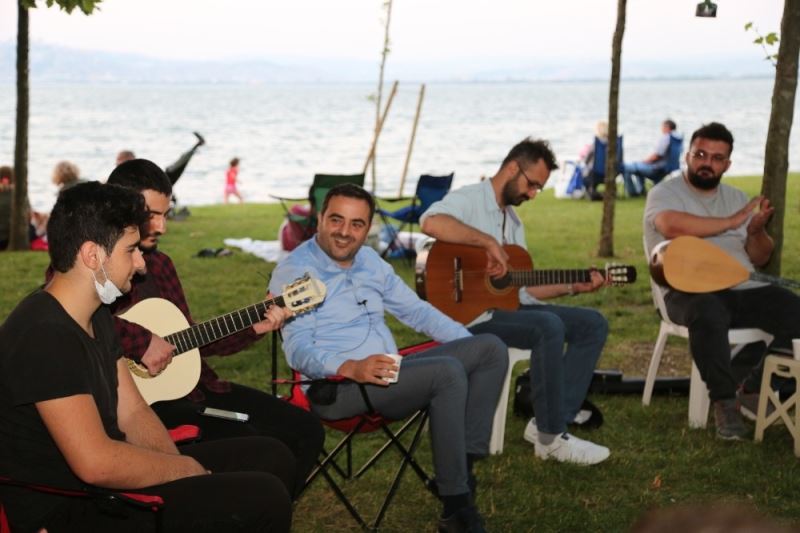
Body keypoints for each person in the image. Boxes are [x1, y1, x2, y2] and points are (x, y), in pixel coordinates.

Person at [1, 181, 293, 532]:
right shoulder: (45, 335)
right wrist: (185, 470)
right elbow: (95, 463)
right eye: (130, 250)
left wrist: (177, 469)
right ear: (92, 256)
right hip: (70, 507)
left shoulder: (95, 314)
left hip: (107, 479)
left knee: (271, 457)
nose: (141, 264)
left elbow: (133, 411)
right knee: (264, 497)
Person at [269, 183, 508, 533]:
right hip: (337, 387)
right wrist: (350, 367)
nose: (344, 232)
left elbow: (417, 312)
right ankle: (456, 508)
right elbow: (298, 349)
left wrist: (465, 343)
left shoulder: (369, 261)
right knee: (447, 372)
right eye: (336, 220)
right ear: (319, 219)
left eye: (356, 224)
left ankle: (461, 471)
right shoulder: (295, 271)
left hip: (389, 372)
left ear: (368, 227)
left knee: (489, 349)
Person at [104, 159, 325, 495]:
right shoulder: (93, 264)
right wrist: (142, 341)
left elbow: (189, 340)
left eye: (166, 214)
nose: (162, 227)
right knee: (260, 448)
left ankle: (270, 510)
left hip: (194, 388)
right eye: (151, 215)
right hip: (138, 409)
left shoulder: (160, 265)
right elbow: (76, 321)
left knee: (305, 429)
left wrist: (254, 326)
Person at [420, 137, 611, 466]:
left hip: (504, 311)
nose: (533, 194)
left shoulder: (514, 222)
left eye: (539, 188)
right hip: (468, 316)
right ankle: (551, 439)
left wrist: (573, 287)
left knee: (592, 324)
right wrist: (487, 242)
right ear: (512, 168)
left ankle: (554, 418)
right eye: (532, 184)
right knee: (547, 326)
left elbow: (520, 293)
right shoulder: (470, 199)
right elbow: (430, 221)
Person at [643, 121, 800, 440]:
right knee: (708, 310)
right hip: (685, 291)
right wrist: (730, 222)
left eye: (717, 158)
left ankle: (754, 387)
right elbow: (669, 225)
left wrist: (755, 232)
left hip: (742, 288)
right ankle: (725, 403)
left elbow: (759, 257)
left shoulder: (735, 196)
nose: (707, 163)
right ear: (687, 156)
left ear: (727, 164)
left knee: (793, 309)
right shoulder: (665, 193)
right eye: (700, 154)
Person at [117, 131, 206, 212]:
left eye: (119, 162)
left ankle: (197, 145)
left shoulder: (134, 171)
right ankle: (197, 145)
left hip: (163, 181)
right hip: (162, 184)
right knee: (176, 166)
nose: (117, 165)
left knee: (176, 166)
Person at [623, 119, 682, 197]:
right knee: (638, 169)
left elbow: (657, 155)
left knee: (625, 168)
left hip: (656, 169)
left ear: (667, 127)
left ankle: (633, 193)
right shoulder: (678, 139)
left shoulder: (666, 138)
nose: (661, 129)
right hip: (667, 168)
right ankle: (640, 190)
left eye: (662, 127)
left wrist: (645, 161)